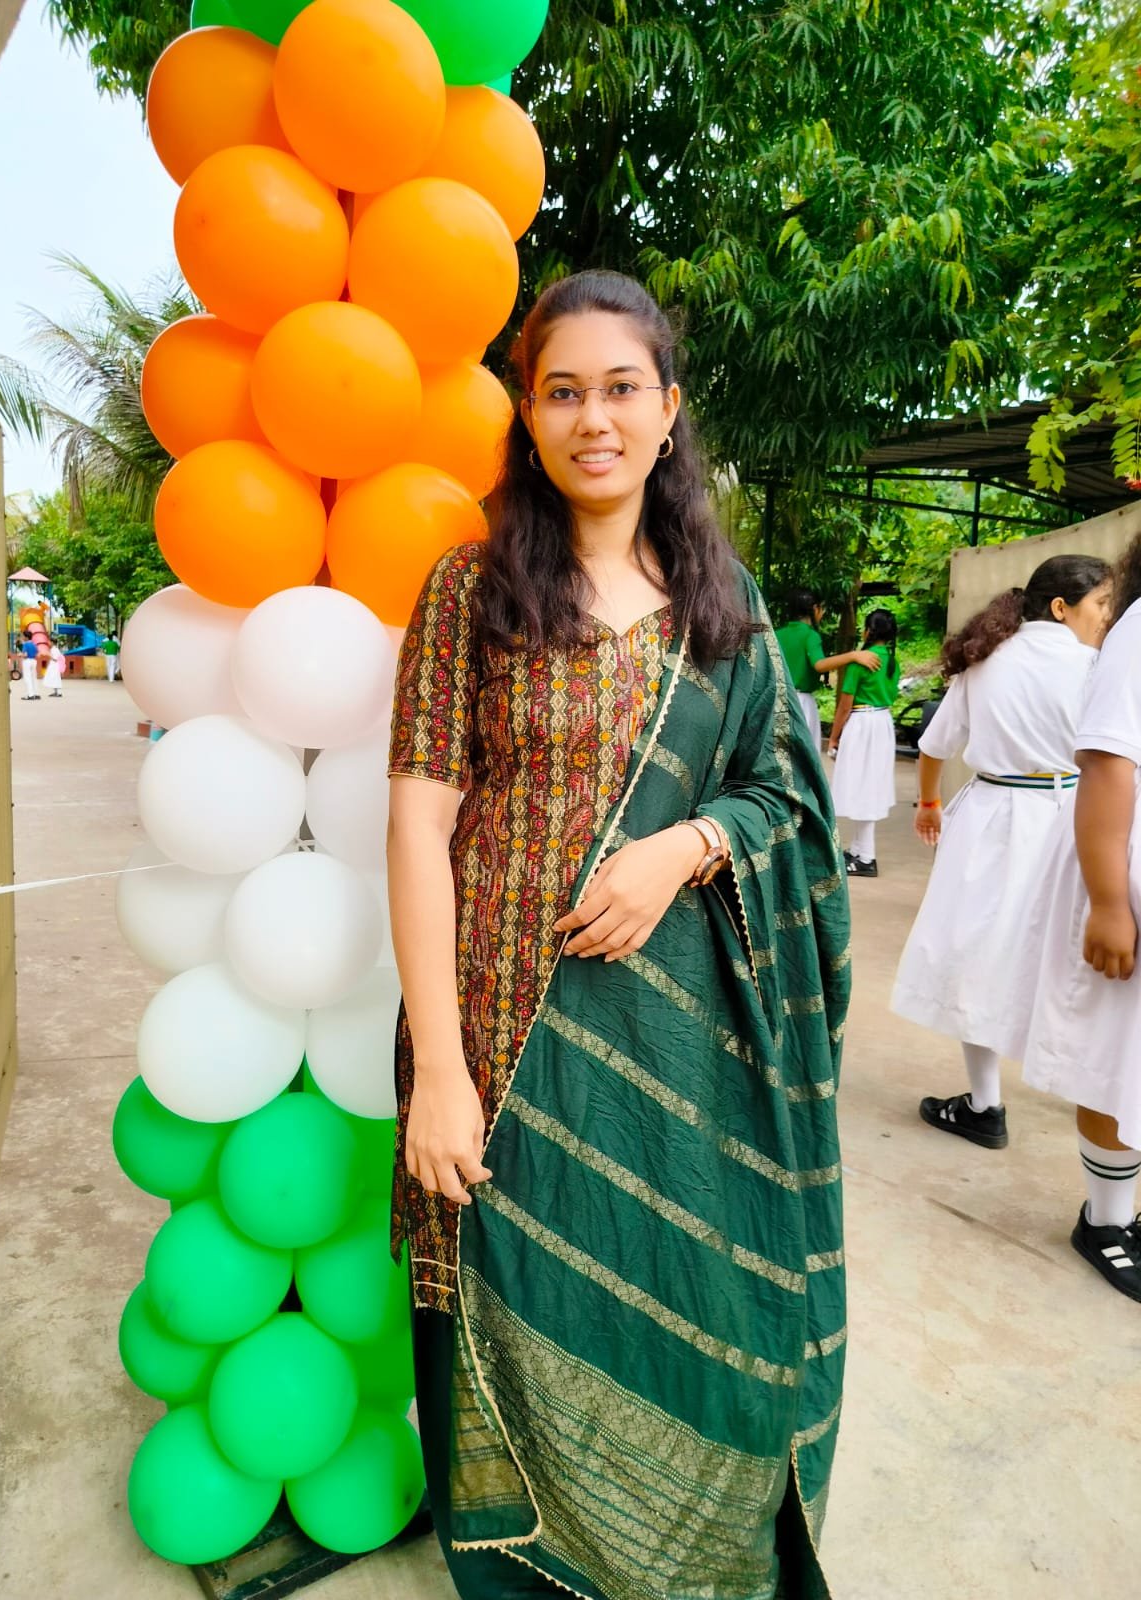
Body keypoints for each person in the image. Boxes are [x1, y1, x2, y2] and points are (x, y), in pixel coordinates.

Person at [386, 270, 850, 1600]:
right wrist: (439, 1069)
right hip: (494, 1025)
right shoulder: (470, 588)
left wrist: (684, 845)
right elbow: (417, 827)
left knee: (682, 1291)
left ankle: (678, 1558)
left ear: (668, 410)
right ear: (529, 417)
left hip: (678, 1049)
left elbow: (784, 795)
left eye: (621, 389)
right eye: (563, 392)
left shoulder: (724, 605)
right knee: (508, 1285)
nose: (594, 419)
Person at [890, 555, 1112, 1149]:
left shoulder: (985, 659)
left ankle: (985, 1106)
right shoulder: (1097, 666)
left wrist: (928, 803)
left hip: (992, 817)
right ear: (1061, 607)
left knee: (980, 957)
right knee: (1069, 955)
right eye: (1100, 604)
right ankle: (1084, 1093)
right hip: (1073, 817)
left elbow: (934, 746)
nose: (1106, 616)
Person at [1016, 537, 1141, 1301]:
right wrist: (1108, 902)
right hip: (1126, 868)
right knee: (1115, 1053)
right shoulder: (1139, 628)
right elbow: (1107, 762)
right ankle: (1106, 1219)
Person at [827, 607, 899, 877]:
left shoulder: (861, 662)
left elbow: (845, 705)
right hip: (882, 722)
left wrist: (834, 736)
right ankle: (859, 849)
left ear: (868, 631)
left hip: (862, 723)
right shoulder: (892, 661)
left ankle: (867, 857)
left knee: (862, 785)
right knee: (869, 784)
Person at [775, 588, 880, 751]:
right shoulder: (810, 635)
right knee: (805, 754)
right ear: (815, 608)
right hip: (801, 702)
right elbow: (820, 664)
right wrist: (853, 655)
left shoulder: (777, 634)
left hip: (776, 699)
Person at [18, 633, 40, 700]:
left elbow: (25, 654)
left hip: (27, 661)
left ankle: (30, 695)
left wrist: (20, 655)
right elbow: (37, 653)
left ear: (27, 637)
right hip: (34, 661)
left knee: (27, 678)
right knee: (34, 678)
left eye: (23, 636)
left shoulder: (25, 644)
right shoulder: (34, 644)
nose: (22, 637)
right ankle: (36, 694)